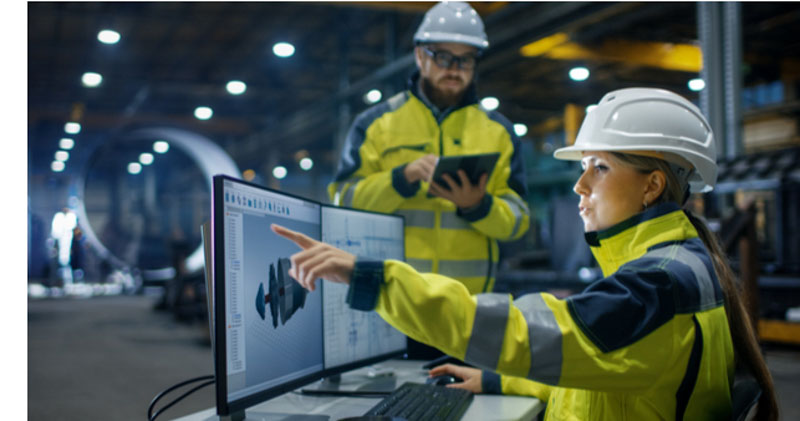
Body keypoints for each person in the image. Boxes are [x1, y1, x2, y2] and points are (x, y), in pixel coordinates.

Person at [273, 88, 778, 420]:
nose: (580, 185)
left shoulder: (657, 286)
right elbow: (600, 371)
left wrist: (373, 278)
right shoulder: (677, 264)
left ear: (652, 186)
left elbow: (521, 331)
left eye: (599, 166)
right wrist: (495, 379)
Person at [327, 1, 530, 296]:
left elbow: (519, 222)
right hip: (393, 301)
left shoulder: (499, 132)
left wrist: (479, 206)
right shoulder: (375, 124)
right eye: (443, 57)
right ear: (420, 56)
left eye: (466, 59)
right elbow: (342, 202)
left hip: (467, 307)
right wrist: (401, 179)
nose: (455, 69)